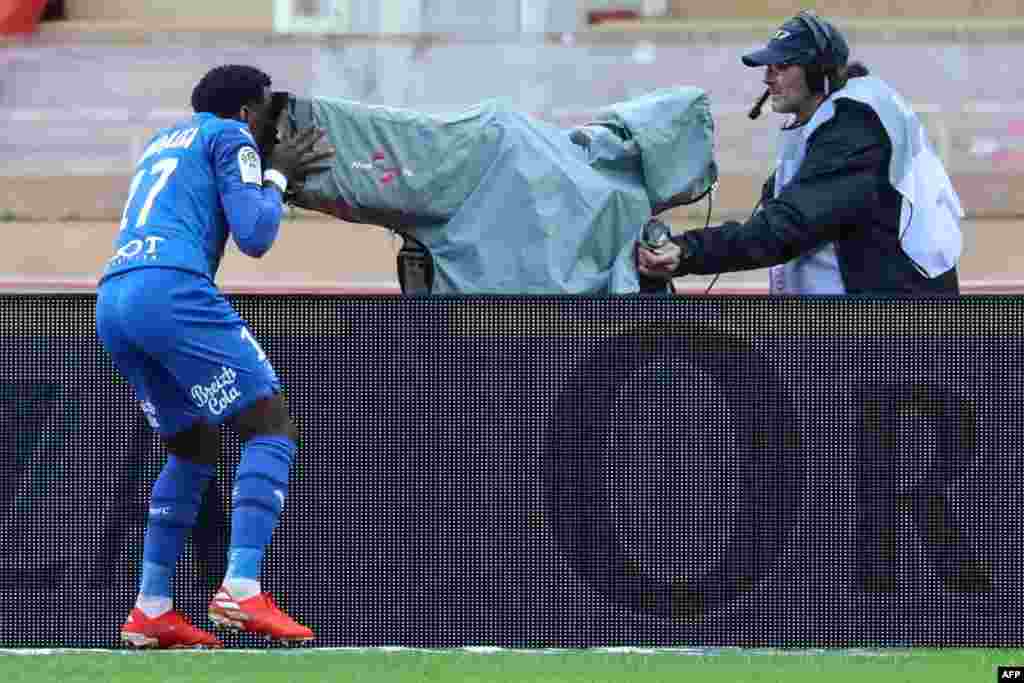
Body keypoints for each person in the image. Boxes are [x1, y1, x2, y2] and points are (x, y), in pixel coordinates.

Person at [95, 64, 334, 649]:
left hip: (113, 298)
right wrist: (275, 176)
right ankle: (242, 587)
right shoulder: (230, 135)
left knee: (194, 448)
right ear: (248, 111)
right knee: (269, 426)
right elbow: (254, 234)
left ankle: (152, 609)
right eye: (265, 113)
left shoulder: (161, 142)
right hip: (172, 291)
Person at [636, 11, 963, 295]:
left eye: (781, 66)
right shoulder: (836, 123)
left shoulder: (854, 129)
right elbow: (776, 220)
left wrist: (687, 252)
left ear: (817, 71)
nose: (767, 78)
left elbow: (786, 227)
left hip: (892, 328)